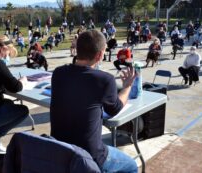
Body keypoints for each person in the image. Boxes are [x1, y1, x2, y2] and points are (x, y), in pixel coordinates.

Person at [50, 30, 138, 173]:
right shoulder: (104, 79)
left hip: (60, 149)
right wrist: (127, 87)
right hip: (89, 156)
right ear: (99, 55)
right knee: (132, 167)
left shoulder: (58, 73)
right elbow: (114, 109)